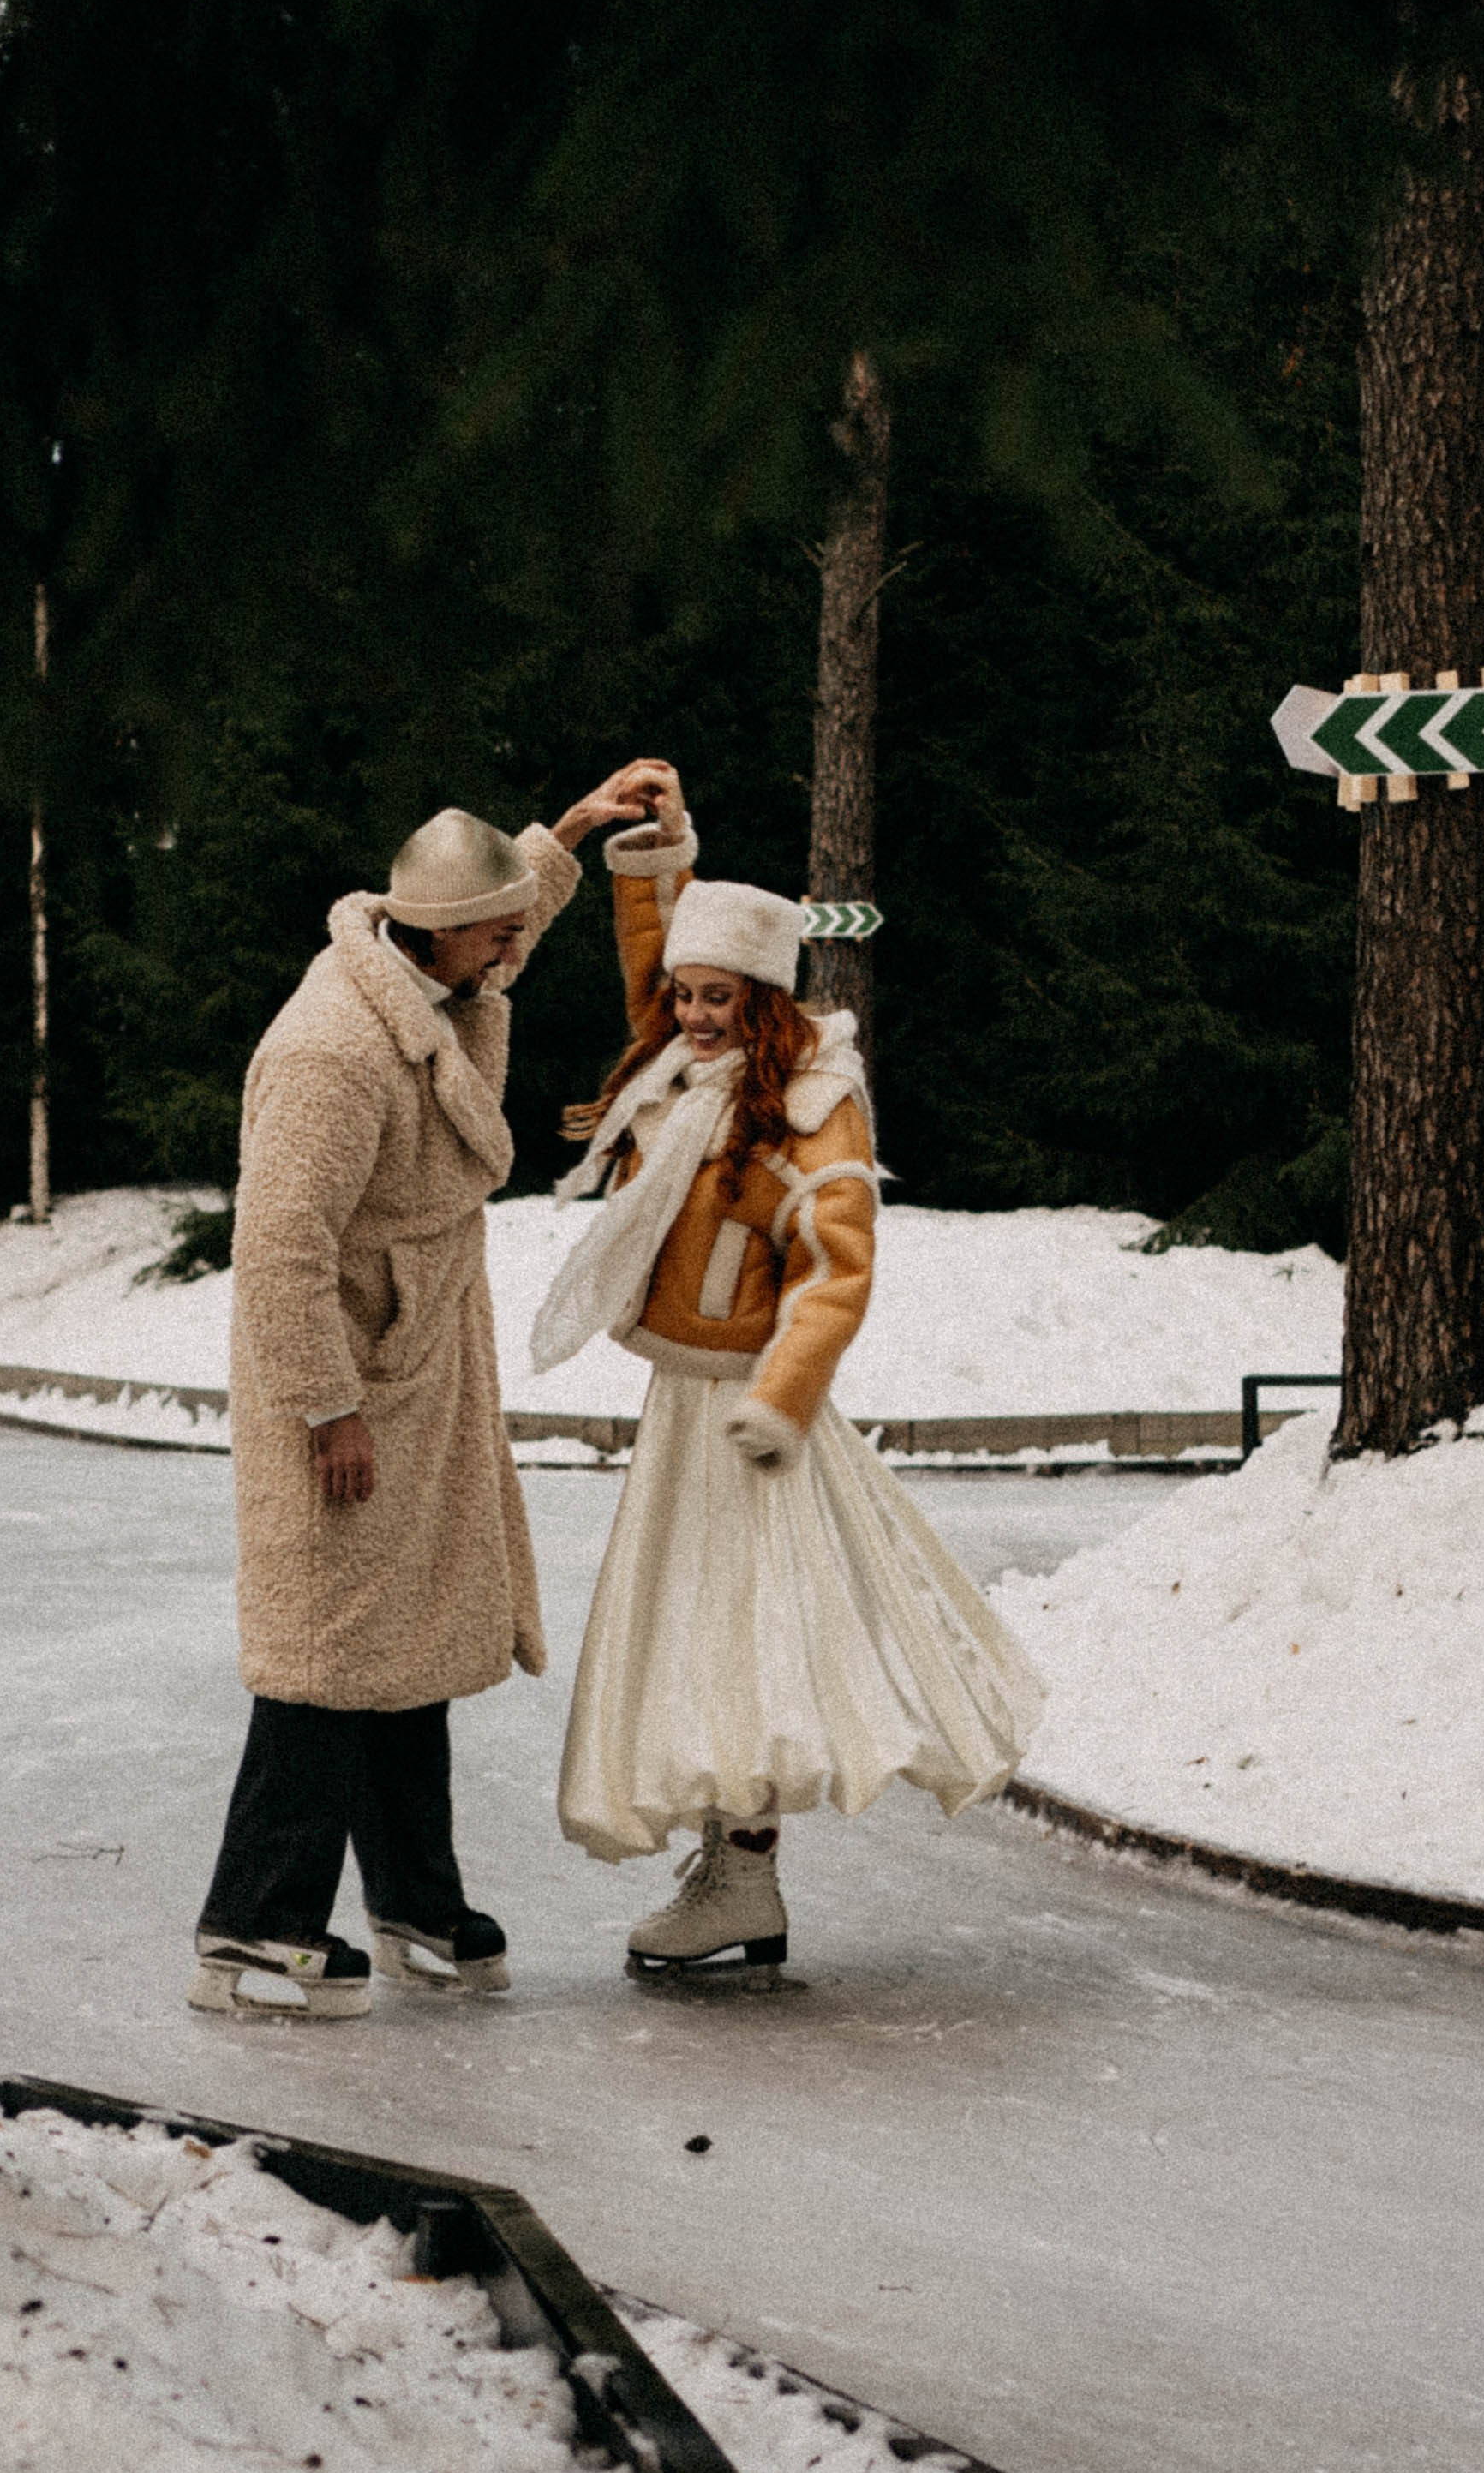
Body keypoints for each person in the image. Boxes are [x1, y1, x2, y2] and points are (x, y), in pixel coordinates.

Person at [530, 766, 1044, 1985]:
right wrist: (658, 838)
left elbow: (836, 1264)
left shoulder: (814, 1100)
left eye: (718, 997)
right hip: (687, 1402)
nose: (695, 1013)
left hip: (755, 1414)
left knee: (748, 1638)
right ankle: (732, 1866)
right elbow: (656, 938)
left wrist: (781, 1399)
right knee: (700, 1635)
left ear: (762, 1001)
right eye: (686, 994)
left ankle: (744, 1869)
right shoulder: (679, 1063)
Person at [191, 764, 667, 2021]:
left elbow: (512, 916)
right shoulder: (334, 1050)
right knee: (328, 1641)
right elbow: (281, 1247)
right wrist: (325, 1405)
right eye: (497, 928)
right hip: (345, 1375)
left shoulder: (437, 970)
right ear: (438, 931)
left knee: (407, 1632)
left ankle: (413, 1898)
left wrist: (565, 833)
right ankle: (254, 1922)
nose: (514, 948)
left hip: (417, 1359)